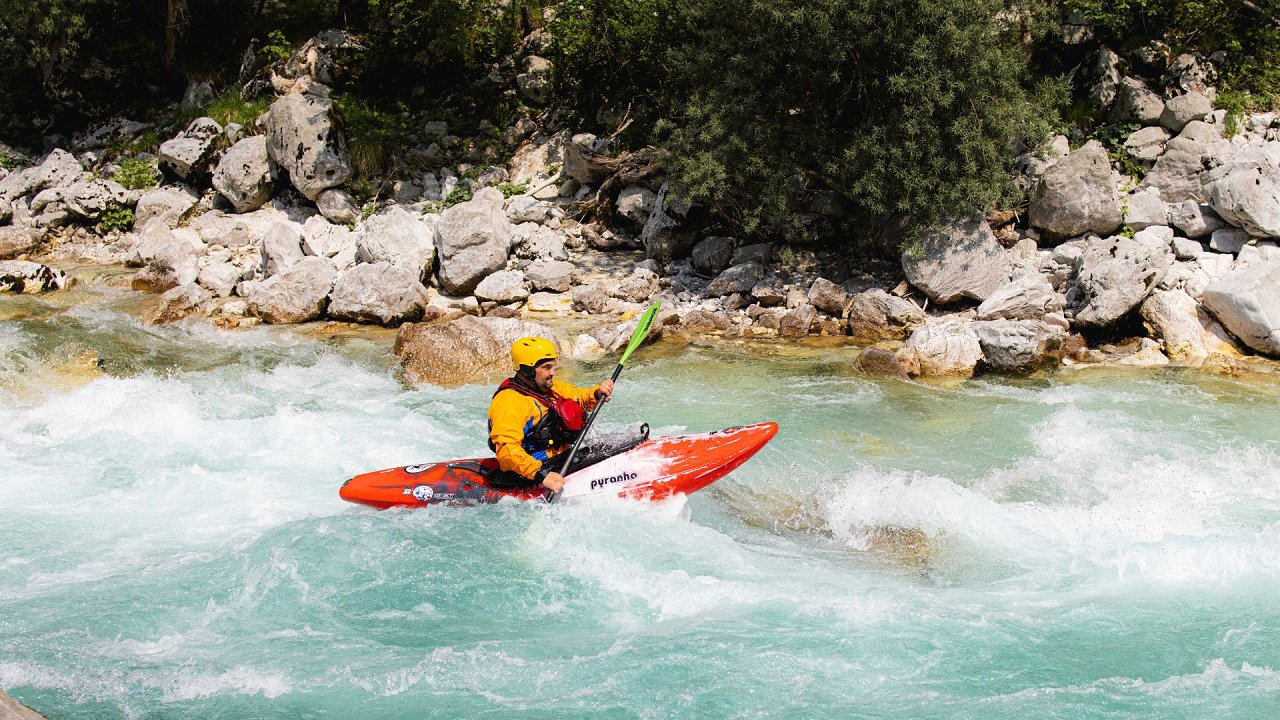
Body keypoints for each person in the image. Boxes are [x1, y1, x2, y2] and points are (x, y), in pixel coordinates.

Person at [487, 337, 613, 493]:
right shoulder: (509, 402)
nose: (552, 373)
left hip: (561, 460)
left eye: (553, 366)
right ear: (528, 369)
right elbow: (507, 449)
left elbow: (579, 397)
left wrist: (596, 392)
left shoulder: (552, 388)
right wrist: (542, 475)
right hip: (533, 472)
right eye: (547, 367)